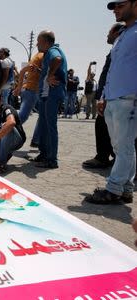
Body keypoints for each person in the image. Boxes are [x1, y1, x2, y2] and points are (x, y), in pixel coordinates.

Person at [85, 0, 137, 205]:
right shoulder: (122, 35)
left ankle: (113, 189)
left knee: (124, 147)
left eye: (120, 5)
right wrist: (104, 95)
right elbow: (114, 68)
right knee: (121, 147)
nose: (115, 9)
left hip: (130, 99)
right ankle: (126, 188)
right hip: (114, 98)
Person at [82, 23, 124, 169]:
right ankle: (106, 157)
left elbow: (115, 74)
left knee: (120, 130)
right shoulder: (116, 48)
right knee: (104, 125)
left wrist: (106, 96)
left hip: (115, 96)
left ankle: (111, 159)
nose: (107, 35)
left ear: (116, 32)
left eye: (109, 32)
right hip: (109, 95)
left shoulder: (122, 48)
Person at [30, 31, 67, 169]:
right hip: (47, 94)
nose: (37, 44)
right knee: (44, 126)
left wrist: (50, 75)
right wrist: (43, 72)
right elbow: (48, 70)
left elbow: (57, 60)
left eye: (38, 42)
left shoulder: (53, 50)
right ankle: (44, 154)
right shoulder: (47, 54)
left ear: (46, 42)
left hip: (52, 93)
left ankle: (52, 159)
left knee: (50, 126)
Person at [13, 52, 44, 124]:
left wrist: (19, 87)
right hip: (32, 90)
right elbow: (23, 70)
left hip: (29, 90)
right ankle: (7, 130)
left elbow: (23, 71)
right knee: (22, 116)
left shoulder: (37, 56)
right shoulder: (42, 56)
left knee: (43, 116)